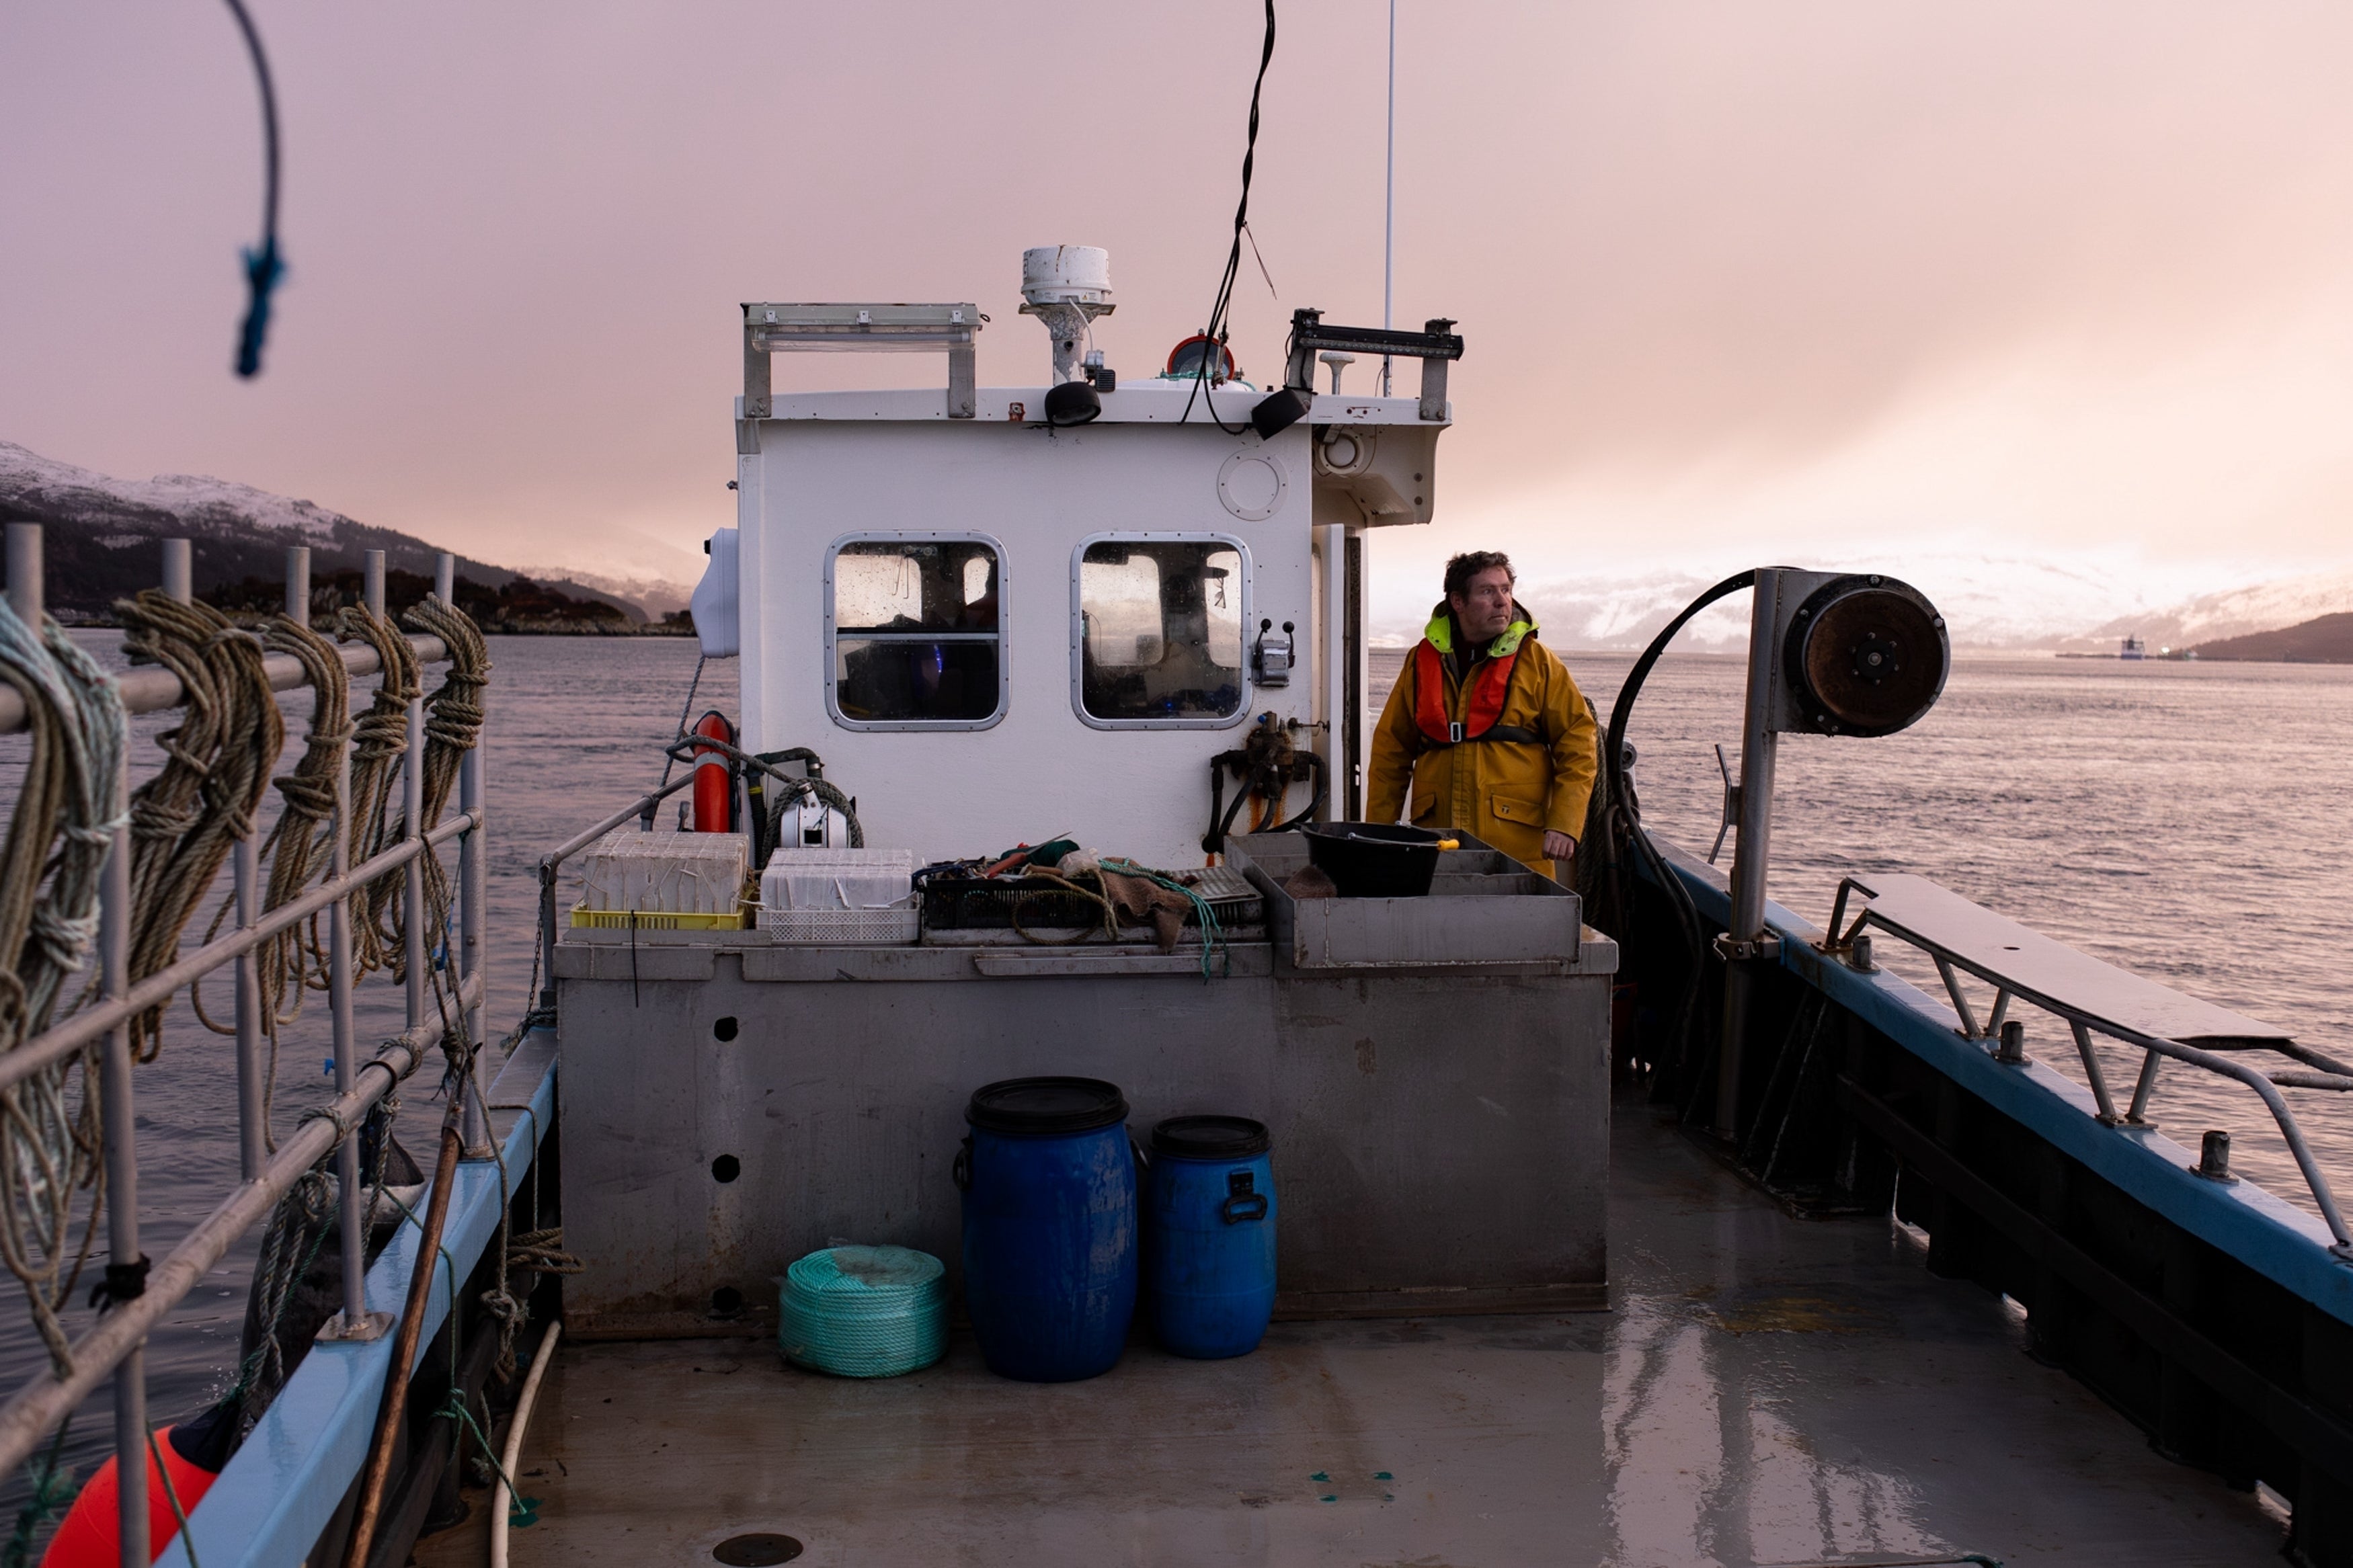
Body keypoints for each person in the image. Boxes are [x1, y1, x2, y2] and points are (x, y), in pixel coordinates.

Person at [1366, 550, 1598, 880]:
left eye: (1506, 590)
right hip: (1438, 846)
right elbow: (1391, 752)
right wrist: (1379, 832)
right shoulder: (1421, 661)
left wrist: (1565, 824)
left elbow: (1579, 745)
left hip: (1519, 850)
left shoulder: (1539, 662)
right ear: (1458, 602)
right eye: (1488, 592)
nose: (1502, 602)